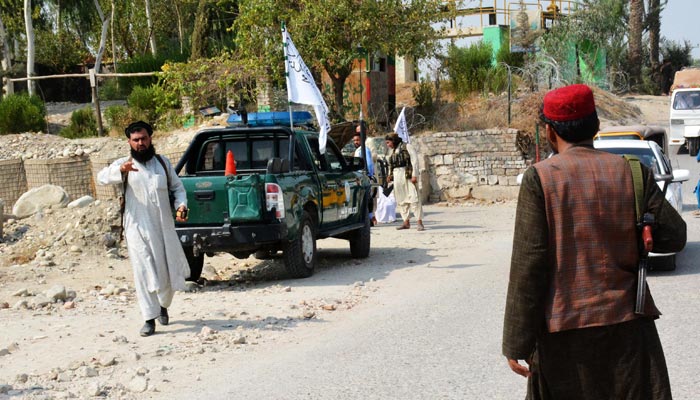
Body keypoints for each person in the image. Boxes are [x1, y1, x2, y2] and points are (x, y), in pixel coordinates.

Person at [502, 84, 686, 399]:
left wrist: (515, 342)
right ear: (597, 127)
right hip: (627, 329)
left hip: (562, 335)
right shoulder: (633, 173)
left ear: (549, 133)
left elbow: (529, 266)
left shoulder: (540, 178)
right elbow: (675, 236)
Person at [97, 121, 190, 337]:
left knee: (164, 271)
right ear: (129, 142)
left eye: (144, 139)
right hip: (136, 227)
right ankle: (149, 318)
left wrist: (182, 205)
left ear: (150, 138)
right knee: (143, 270)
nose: (140, 143)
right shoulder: (124, 164)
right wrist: (119, 170)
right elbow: (102, 178)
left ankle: (163, 306)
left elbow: (178, 189)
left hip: (163, 227)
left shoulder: (163, 164)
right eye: (136, 140)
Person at [385, 133, 424, 231]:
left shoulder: (407, 146)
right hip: (397, 176)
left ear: (393, 141)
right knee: (401, 200)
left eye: (388, 142)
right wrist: (390, 175)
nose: (388, 145)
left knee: (414, 198)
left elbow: (414, 161)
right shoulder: (392, 151)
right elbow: (392, 165)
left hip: (408, 175)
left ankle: (419, 222)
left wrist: (415, 175)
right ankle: (406, 222)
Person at [353, 125, 377, 226]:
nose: (355, 142)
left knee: (367, 199)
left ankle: (371, 218)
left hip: (364, 177)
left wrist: (369, 175)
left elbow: (369, 164)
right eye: (354, 140)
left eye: (357, 140)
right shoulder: (358, 150)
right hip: (359, 177)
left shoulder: (365, 150)